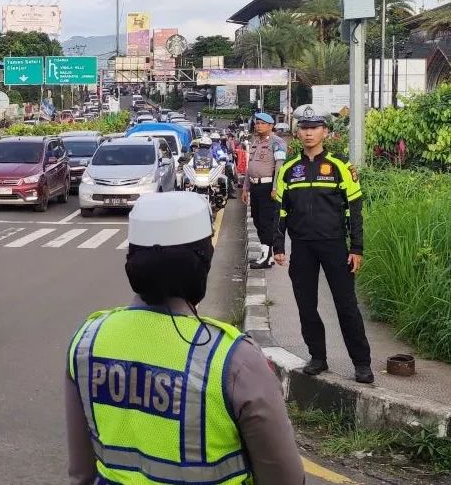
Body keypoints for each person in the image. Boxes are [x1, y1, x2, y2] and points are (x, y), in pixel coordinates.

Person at [65, 192, 305, 485]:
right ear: (203, 264)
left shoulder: (87, 342)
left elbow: (81, 472)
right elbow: (286, 478)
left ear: (132, 261)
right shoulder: (234, 360)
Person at [273, 109, 372, 383]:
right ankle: (318, 357)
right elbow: (280, 210)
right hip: (302, 247)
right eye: (304, 127)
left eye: (314, 127)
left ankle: (362, 364)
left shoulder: (341, 166)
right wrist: (278, 245)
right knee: (306, 306)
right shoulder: (290, 169)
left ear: (325, 132)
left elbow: (355, 209)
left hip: (335, 246)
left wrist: (357, 248)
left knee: (347, 306)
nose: (308, 132)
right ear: (298, 132)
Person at [242, 113, 287, 268]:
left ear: (270, 125)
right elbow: (250, 167)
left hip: (268, 187)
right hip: (255, 187)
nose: (258, 125)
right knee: (257, 220)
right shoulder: (255, 142)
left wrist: (275, 187)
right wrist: (245, 188)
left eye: (262, 123)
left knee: (267, 222)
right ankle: (266, 255)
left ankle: (266, 256)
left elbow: (280, 168)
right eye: (257, 123)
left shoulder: (277, 142)